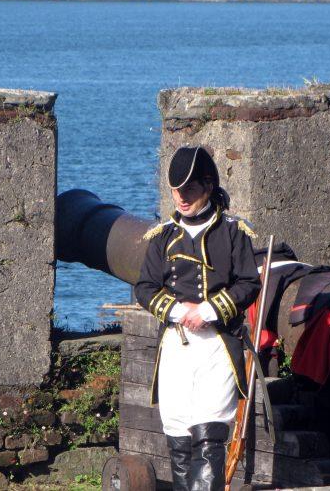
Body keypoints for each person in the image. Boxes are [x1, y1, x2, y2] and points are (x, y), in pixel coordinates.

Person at [135, 146, 261, 491]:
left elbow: (249, 282)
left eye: (189, 189)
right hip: (176, 343)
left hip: (218, 343)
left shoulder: (235, 232)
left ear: (208, 186)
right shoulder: (162, 236)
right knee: (178, 438)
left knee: (209, 435)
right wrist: (179, 312)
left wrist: (206, 311)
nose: (181, 197)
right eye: (176, 190)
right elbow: (145, 288)